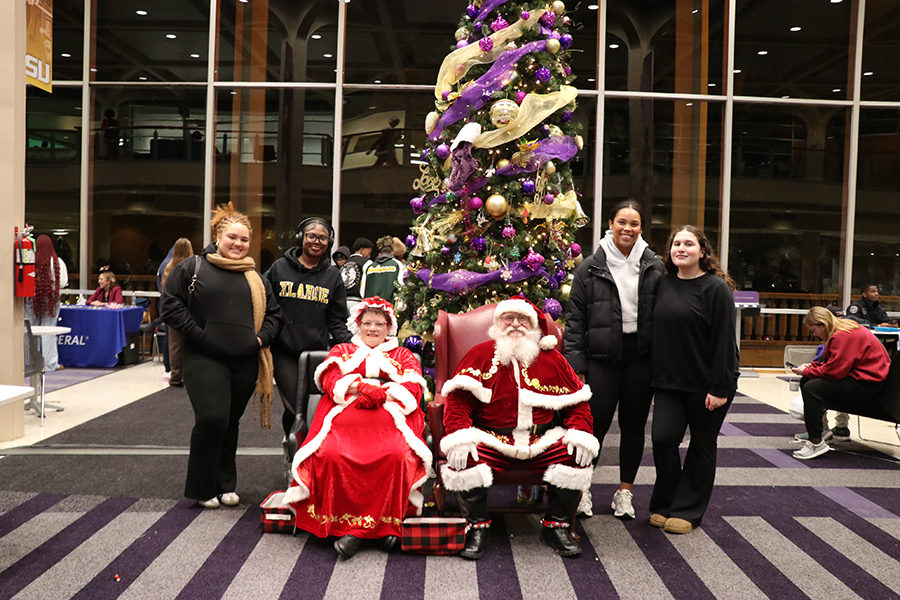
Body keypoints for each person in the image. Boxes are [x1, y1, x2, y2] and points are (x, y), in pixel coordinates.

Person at [441, 296, 597, 560]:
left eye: (522, 319)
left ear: (534, 325)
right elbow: (457, 403)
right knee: (463, 456)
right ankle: (477, 527)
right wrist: (459, 435)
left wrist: (580, 432)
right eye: (508, 319)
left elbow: (578, 404)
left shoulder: (554, 360)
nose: (515, 324)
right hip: (491, 437)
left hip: (541, 439)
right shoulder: (478, 355)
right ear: (497, 325)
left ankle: (556, 526)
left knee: (576, 454)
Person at [282, 296, 431, 559]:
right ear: (358, 325)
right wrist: (360, 387)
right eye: (367, 323)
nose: (373, 329)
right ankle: (372, 532)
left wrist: (383, 393)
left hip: (391, 422)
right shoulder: (342, 350)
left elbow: (414, 387)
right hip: (343, 423)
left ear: (389, 327)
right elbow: (329, 378)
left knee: (397, 456)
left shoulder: (403, 354)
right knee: (331, 455)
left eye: (379, 324)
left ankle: (357, 534)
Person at [162, 203, 283, 509]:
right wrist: (201, 336)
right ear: (218, 236)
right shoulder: (192, 268)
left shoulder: (257, 278)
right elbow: (171, 305)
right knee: (212, 418)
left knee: (230, 422)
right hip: (203, 357)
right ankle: (203, 488)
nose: (238, 244)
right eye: (232, 237)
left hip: (244, 360)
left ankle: (225, 484)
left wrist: (258, 341)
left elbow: (274, 316)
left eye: (244, 239)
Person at [563, 200, 664, 519]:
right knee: (593, 428)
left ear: (641, 228)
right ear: (610, 223)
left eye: (634, 224)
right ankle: (583, 491)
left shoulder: (655, 266)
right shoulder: (590, 266)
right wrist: (576, 367)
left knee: (634, 427)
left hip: (640, 358)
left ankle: (625, 493)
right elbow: (575, 321)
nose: (627, 229)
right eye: (622, 222)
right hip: (601, 360)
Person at [649, 225, 739, 535]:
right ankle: (667, 501)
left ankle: (688, 509)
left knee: (702, 445)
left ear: (702, 252)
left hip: (708, 384)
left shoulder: (716, 288)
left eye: (689, 244)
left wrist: (720, 387)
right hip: (670, 383)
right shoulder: (663, 284)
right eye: (676, 244)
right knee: (662, 440)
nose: (681, 248)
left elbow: (725, 341)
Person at [264, 218, 352, 442]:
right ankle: (297, 456)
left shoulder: (333, 276)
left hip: (316, 355)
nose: (316, 241)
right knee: (297, 407)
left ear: (329, 242)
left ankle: (295, 448)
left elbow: (336, 319)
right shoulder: (279, 268)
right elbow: (263, 304)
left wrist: (351, 346)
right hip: (284, 352)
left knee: (312, 408)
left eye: (323, 238)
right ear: (300, 237)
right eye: (311, 236)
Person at [790, 306, 890, 460]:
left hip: (867, 384)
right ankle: (819, 432)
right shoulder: (845, 328)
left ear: (823, 324)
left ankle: (816, 442)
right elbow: (833, 363)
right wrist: (811, 368)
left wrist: (807, 370)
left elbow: (834, 372)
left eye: (814, 330)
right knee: (808, 380)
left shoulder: (843, 336)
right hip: (863, 378)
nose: (815, 334)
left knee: (811, 387)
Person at [25, 235, 68, 371]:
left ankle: (30, 362)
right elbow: (62, 283)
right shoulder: (57, 262)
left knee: (30, 331)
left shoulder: (31, 261)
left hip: (32, 298)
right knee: (49, 331)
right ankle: (50, 364)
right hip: (51, 299)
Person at [160, 238, 194, 387]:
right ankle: (188, 377)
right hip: (188, 311)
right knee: (189, 345)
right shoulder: (191, 267)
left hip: (172, 312)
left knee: (174, 346)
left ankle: (175, 376)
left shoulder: (167, 268)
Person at [360, 236, 405, 302]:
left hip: (371, 308)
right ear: (392, 253)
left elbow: (362, 292)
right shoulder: (398, 265)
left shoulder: (369, 266)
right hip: (389, 308)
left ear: (379, 254)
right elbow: (402, 285)